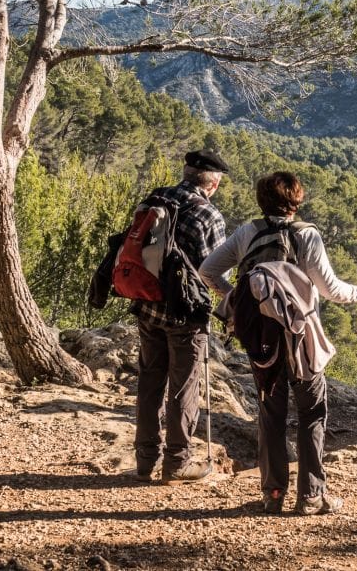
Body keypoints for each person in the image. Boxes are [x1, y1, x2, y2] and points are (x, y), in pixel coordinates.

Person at [199, 171, 357, 515]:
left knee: (271, 413)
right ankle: (311, 497)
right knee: (312, 413)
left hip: (262, 339)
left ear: (262, 200)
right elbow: (332, 290)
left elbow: (207, 270)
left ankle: (272, 495)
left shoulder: (248, 232)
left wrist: (240, 299)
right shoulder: (307, 235)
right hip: (302, 337)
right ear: (296, 201)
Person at [133, 149, 228, 484]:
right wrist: (232, 303)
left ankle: (145, 460)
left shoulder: (155, 199)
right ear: (213, 185)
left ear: (185, 173)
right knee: (183, 387)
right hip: (186, 314)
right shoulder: (208, 216)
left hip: (147, 305)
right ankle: (177, 462)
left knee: (149, 381)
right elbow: (211, 272)